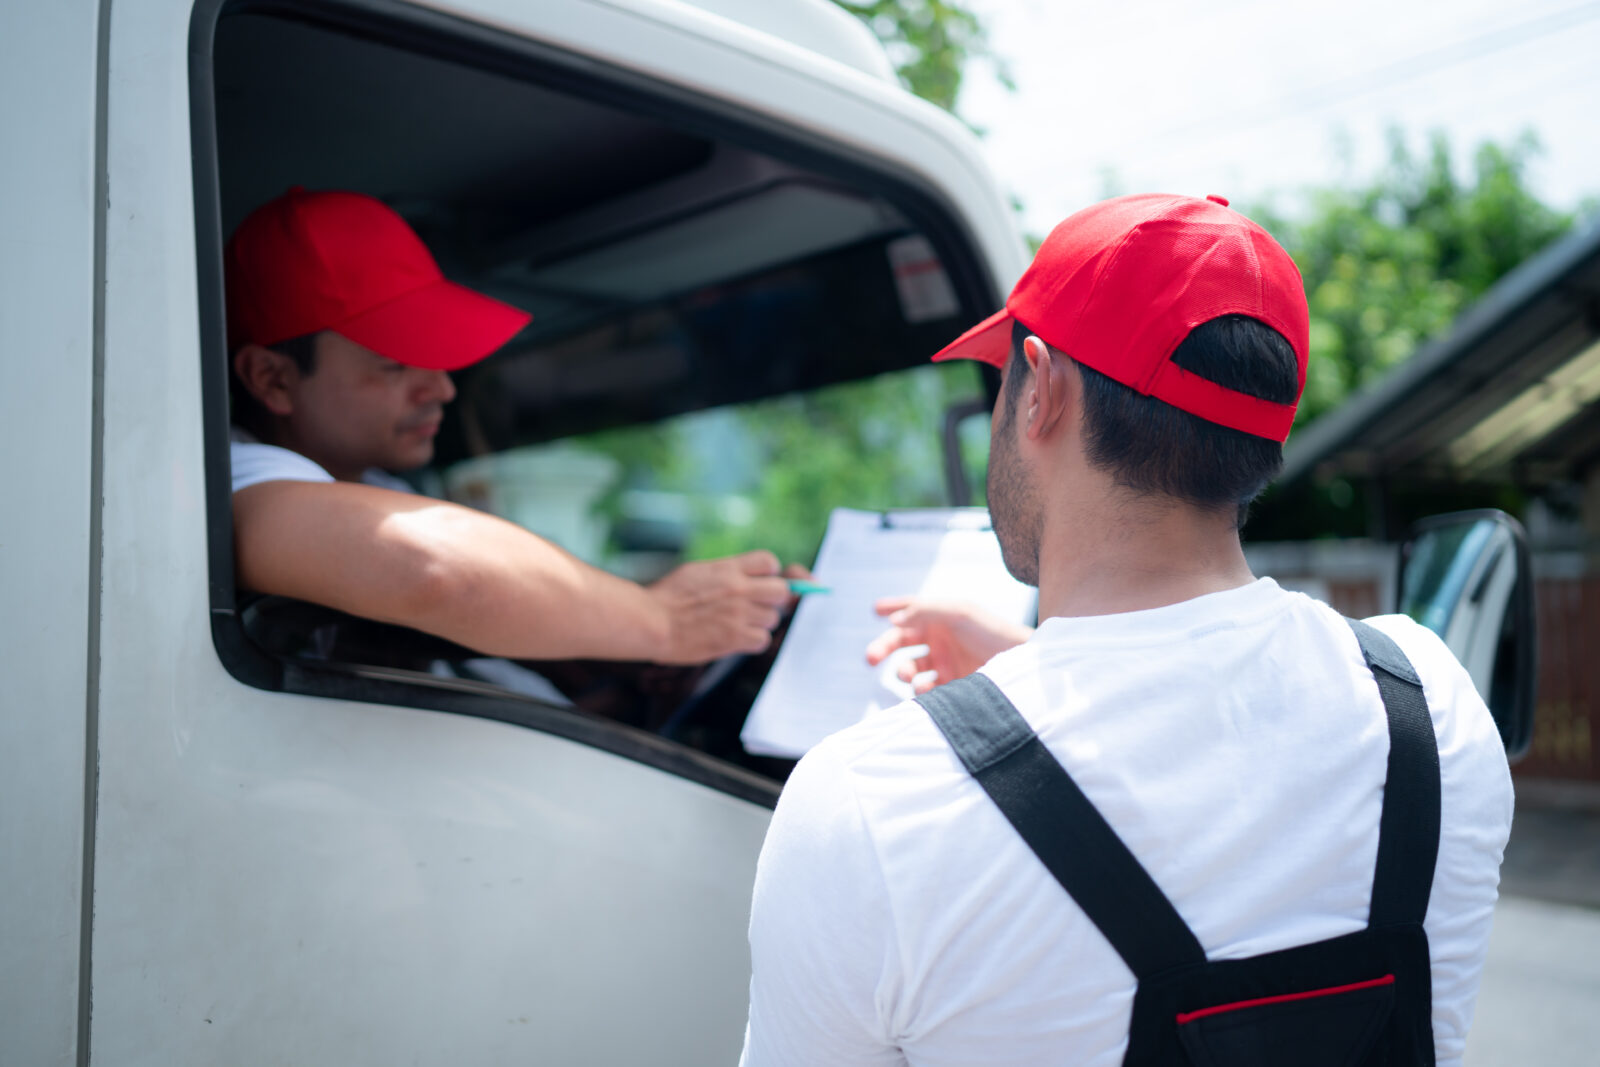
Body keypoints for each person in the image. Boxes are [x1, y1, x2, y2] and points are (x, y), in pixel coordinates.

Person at [741, 193, 1513, 1065]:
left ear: (1044, 391)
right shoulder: (1430, 702)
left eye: (1002, 382)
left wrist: (998, 714)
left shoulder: (873, 801)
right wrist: (1024, 677)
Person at [226, 187, 791, 668]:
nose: (442, 389)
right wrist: (662, 623)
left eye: (435, 355)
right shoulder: (238, 481)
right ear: (271, 379)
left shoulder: (380, 489)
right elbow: (431, 570)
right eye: (394, 362)